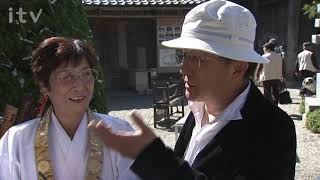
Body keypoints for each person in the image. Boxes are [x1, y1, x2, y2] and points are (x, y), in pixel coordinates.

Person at [90, 0, 297, 179]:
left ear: (237, 69)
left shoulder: (272, 129)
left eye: (198, 59)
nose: (184, 69)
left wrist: (152, 156)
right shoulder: (199, 110)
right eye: (184, 55)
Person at [0, 37, 139, 180]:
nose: (80, 86)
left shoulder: (120, 132)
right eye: (67, 76)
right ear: (44, 85)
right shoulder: (17, 140)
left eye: (86, 74)